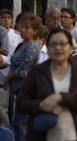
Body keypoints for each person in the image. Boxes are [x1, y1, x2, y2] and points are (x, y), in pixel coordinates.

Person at [16, 28, 77, 141]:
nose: (58, 47)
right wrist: (41, 105)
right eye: (53, 44)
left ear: (71, 48)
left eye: (62, 44)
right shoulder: (37, 72)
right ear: (47, 49)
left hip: (74, 135)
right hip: (42, 136)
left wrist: (60, 97)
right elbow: (21, 102)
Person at [6, 13, 42, 141]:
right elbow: (13, 62)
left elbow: (23, 71)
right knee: (17, 123)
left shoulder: (32, 47)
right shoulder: (21, 45)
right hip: (18, 91)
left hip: (27, 90)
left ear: (35, 31)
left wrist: (6, 79)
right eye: (22, 26)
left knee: (20, 124)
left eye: (27, 28)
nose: (23, 30)